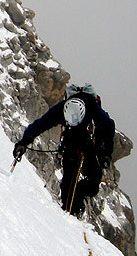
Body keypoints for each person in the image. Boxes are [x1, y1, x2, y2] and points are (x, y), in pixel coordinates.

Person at [12, 83, 115, 215]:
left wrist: (106, 153)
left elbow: (108, 126)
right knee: (72, 180)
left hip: (84, 140)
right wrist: (24, 142)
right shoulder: (62, 109)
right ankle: (71, 212)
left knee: (86, 180)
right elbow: (41, 124)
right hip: (72, 141)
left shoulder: (91, 107)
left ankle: (73, 206)